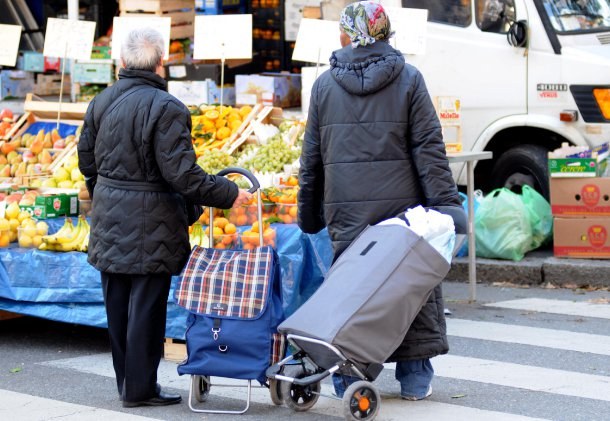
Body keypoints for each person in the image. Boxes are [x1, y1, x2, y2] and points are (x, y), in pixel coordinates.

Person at [77, 27, 251, 408]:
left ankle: (128, 384)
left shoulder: (101, 101)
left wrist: (106, 192)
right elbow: (183, 175)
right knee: (146, 308)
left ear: (123, 61)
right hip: (152, 223)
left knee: (117, 305)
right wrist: (229, 193)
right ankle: (139, 389)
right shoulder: (167, 107)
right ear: (161, 63)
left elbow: (86, 161)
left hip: (109, 217)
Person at [297, 1, 461, 401]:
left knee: (352, 290)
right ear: (386, 32)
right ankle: (415, 379)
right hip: (402, 211)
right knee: (409, 286)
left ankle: (347, 379)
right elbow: (429, 149)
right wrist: (447, 207)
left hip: (346, 211)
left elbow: (312, 158)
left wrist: (309, 213)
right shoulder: (409, 78)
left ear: (347, 34)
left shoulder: (324, 85)